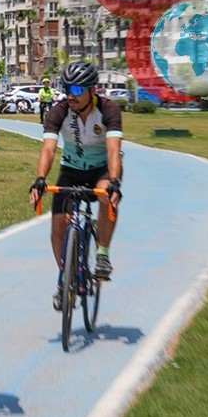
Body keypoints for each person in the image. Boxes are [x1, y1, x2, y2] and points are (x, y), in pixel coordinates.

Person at [28, 60, 123, 311]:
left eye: (78, 90)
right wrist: (40, 179)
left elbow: (114, 150)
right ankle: (64, 276)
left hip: (101, 169)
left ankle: (102, 253)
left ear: (93, 90)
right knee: (58, 223)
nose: (71, 95)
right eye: (67, 88)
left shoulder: (109, 110)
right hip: (71, 170)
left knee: (107, 196)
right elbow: (48, 149)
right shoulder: (58, 111)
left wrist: (114, 181)